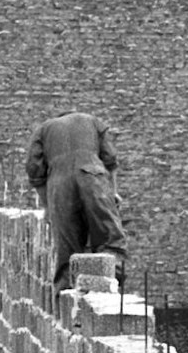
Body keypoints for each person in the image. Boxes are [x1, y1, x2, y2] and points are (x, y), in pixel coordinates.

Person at [25, 110, 131, 291]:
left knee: (68, 251)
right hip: (93, 177)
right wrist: (112, 193)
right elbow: (110, 160)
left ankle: (66, 299)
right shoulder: (93, 121)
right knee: (110, 239)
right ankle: (111, 285)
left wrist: (49, 207)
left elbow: (35, 172)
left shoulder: (43, 130)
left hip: (59, 186)